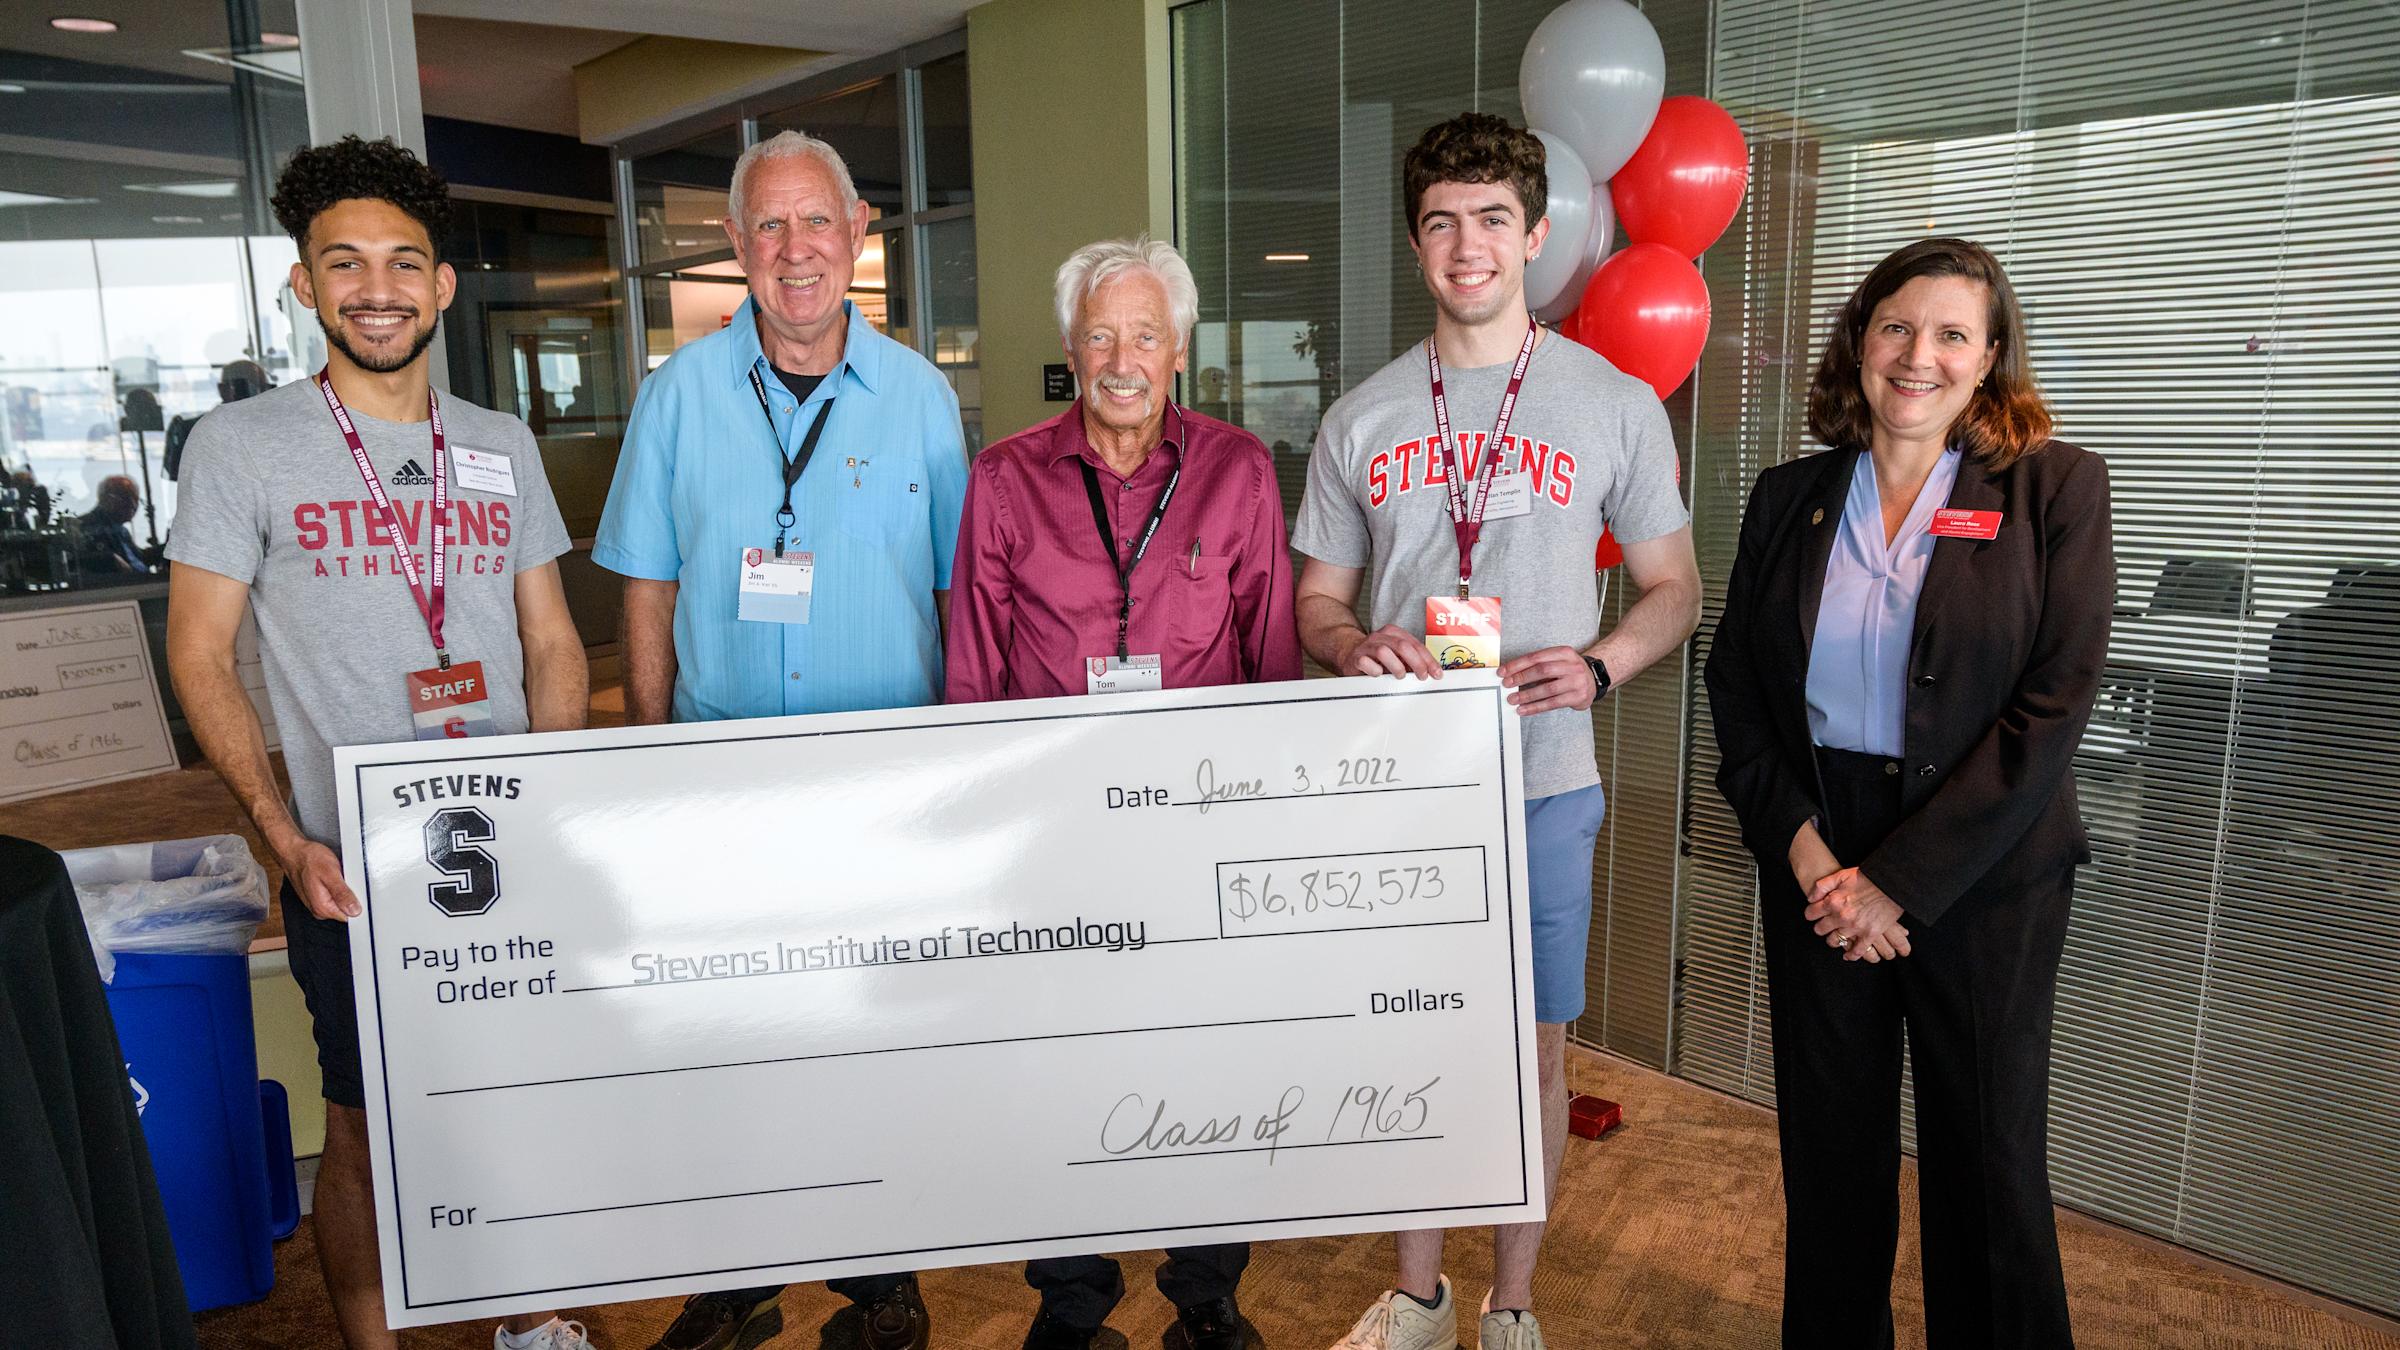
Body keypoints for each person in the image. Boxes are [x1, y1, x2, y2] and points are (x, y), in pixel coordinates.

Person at [163, 135, 592, 1350]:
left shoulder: (499, 441)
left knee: (520, 1098)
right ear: (302, 284)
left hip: (505, 845)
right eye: (343, 263)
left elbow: (552, 639)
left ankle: (534, 1318)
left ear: (443, 286)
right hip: (346, 863)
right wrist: (279, 834)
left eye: (405, 262)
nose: (378, 287)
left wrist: (553, 798)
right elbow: (199, 651)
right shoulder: (240, 447)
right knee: (358, 1117)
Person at [1296, 113, 1701, 1350]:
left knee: (1531, 1060)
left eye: (1490, 220)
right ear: (1415, 241)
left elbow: (1676, 587)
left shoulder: (1612, 401)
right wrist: (1351, 641)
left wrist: (1601, 662)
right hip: (1405, 793)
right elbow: (1316, 601)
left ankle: (1510, 1303)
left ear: (1535, 234)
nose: (1465, 246)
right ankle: (1417, 1296)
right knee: (1416, 1043)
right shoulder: (1361, 418)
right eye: (1439, 222)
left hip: (1544, 786)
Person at [1703, 237, 2114, 1349]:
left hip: (1984, 867)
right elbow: (1736, 682)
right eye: (1896, 326)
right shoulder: (1789, 497)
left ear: (1990, 361)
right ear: (1860, 340)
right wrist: (1802, 851)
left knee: (1986, 1161)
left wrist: (1895, 883)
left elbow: (2055, 700)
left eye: (1950, 334)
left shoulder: (2052, 491)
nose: (1917, 355)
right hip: (1819, 853)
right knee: (1831, 1155)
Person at [591, 128, 964, 1350]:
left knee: (871, 1036)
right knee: (727, 1043)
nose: (796, 251)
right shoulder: (677, 396)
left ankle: (879, 1277)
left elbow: (965, 591)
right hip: (718, 782)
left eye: (818, 224)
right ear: (740, 249)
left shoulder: (920, 396)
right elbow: (645, 584)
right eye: (769, 228)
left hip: (884, 787)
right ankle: (734, 1279)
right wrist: (646, 760)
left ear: (858, 236)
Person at [946, 236, 1298, 1349]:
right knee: (1060, 1066)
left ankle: (1206, 1295)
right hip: (1052, 837)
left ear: (1179, 350)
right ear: (1069, 347)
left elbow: (1272, 657)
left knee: (1206, 1061)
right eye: (1100, 334)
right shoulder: (1005, 477)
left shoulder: (1239, 470)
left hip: (1199, 834)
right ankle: (1072, 1298)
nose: (1121, 357)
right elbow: (972, 669)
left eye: (1144, 334)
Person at [77, 474, 149, 574]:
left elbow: (139, 558)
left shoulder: (122, 530)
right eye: (126, 498)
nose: (133, 505)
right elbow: (87, 560)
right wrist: (110, 559)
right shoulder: (88, 526)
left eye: (136, 499)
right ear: (107, 499)